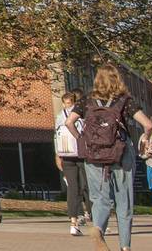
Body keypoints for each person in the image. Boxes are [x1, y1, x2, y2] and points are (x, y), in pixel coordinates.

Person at [65, 64, 152, 251]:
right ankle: (125, 247)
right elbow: (148, 125)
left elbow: (69, 122)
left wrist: (81, 139)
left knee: (99, 198)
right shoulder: (125, 101)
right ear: (118, 79)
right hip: (121, 153)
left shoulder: (86, 101)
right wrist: (145, 139)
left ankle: (98, 228)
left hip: (93, 154)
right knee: (124, 201)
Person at [54, 90, 91, 236]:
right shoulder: (82, 113)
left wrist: (57, 155)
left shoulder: (59, 116)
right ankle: (95, 219)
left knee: (72, 189)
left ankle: (73, 222)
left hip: (66, 153)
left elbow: (56, 135)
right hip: (81, 153)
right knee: (88, 186)